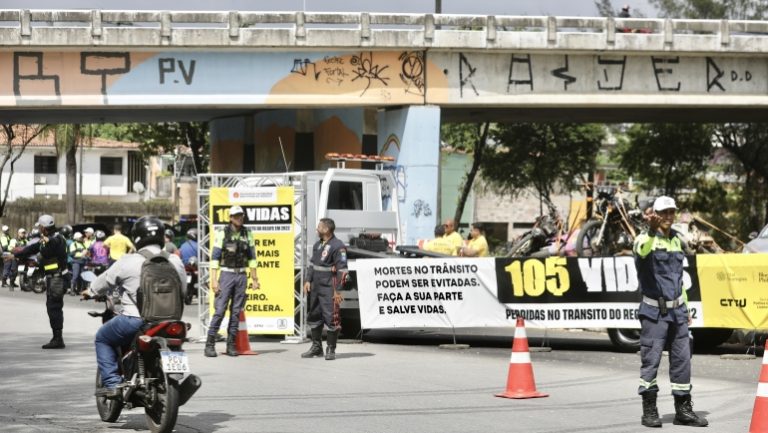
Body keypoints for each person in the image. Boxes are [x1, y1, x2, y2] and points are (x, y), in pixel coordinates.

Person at [84, 216, 186, 398]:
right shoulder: (174, 260)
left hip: (136, 320)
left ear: (137, 237)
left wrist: (89, 291)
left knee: (102, 338)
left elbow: (104, 281)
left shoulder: (128, 260)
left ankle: (113, 384)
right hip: (172, 321)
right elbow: (183, 291)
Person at [634, 196, 708, 428]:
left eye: (671, 212)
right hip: (654, 312)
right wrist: (651, 230)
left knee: (682, 361)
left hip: (678, 312)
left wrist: (685, 308)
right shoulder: (644, 239)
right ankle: (649, 410)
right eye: (663, 212)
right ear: (654, 214)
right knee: (651, 361)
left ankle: (683, 410)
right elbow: (642, 250)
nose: (668, 216)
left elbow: (678, 280)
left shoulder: (677, 240)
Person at [205, 206, 259, 357]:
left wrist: (255, 279)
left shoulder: (247, 233)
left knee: (236, 312)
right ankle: (209, 345)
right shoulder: (222, 232)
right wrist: (214, 280)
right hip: (226, 275)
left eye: (241, 216)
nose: (239, 218)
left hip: (241, 275)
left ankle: (231, 345)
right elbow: (215, 257)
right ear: (230, 218)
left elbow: (252, 258)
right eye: (236, 216)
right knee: (220, 310)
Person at [14, 215, 70, 349]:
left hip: (58, 278)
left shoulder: (56, 239)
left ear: (44, 228)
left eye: (40, 227)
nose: (39, 229)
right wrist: (15, 254)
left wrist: (47, 241)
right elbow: (34, 248)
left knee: (54, 308)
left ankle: (58, 339)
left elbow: (48, 249)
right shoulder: (48, 239)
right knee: (52, 307)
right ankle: (57, 337)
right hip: (53, 278)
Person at [302, 218, 347, 361]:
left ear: (326, 229)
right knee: (314, 315)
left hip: (329, 286)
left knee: (331, 316)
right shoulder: (317, 245)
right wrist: (308, 280)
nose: (317, 229)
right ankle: (316, 347)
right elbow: (312, 264)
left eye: (319, 227)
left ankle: (331, 349)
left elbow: (343, 270)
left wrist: (338, 290)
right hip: (316, 286)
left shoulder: (338, 246)